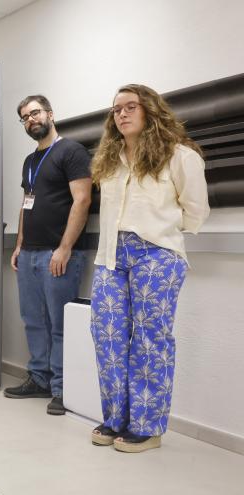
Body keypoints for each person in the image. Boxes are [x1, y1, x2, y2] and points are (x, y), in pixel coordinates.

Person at [88, 84, 209, 453]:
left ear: (150, 111)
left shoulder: (180, 156)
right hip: (111, 255)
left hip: (157, 254)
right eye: (116, 110)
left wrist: (163, 236)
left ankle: (147, 425)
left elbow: (196, 211)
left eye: (130, 107)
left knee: (149, 339)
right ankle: (116, 419)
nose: (121, 114)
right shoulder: (109, 159)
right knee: (107, 337)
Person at [4, 95, 92, 416]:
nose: (31, 120)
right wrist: (19, 245)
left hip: (60, 254)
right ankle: (39, 378)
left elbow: (82, 201)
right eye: (25, 117)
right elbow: (27, 203)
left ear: (50, 114)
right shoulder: (30, 161)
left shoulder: (71, 151)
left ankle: (62, 388)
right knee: (33, 321)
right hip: (29, 254)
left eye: (35, 113)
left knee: (59, 324)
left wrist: (65, 248)